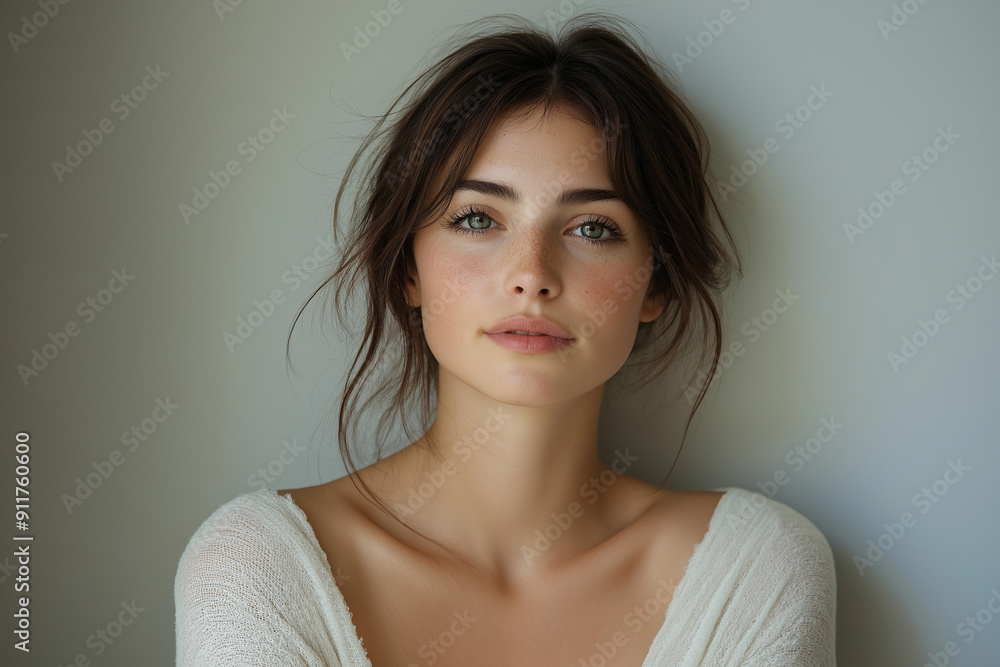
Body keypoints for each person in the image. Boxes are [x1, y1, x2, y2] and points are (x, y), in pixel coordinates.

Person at [174, 11, 836, 666]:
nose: (532, 275)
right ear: (409, 269)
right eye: (476, 218)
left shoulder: (756, 569)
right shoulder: (258, 566)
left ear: (654, 285)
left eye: (593, 228)